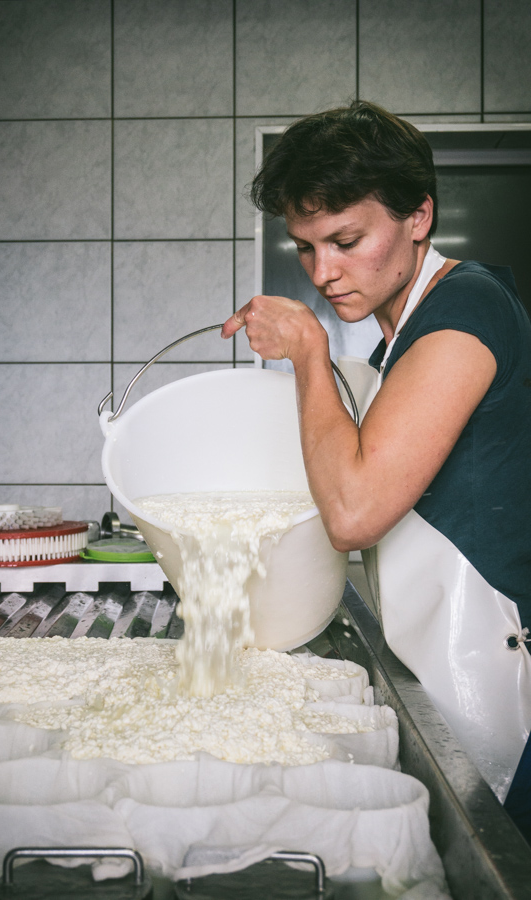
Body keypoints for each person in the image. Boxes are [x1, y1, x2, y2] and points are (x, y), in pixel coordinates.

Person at [221, 101, 531, 824]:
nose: (323, 272)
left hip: (502, 682)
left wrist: (306, 353)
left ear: (418, 217)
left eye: (346, 239)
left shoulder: (467, 312)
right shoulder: (400, 341)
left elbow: (354, 514)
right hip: (446, 667)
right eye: (305, 247)